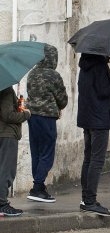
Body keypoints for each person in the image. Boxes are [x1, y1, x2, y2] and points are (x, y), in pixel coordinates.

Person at [77, 53, 110, 216]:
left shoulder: (84, 67)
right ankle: (90, 200)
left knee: (89, 159)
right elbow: (104, 90)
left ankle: (86, 199)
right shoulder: (99, 67)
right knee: (97, 160)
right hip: (99, 119)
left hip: (87, 118)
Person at [26, 43, 68, 203]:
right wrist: (58, 106)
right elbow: (62, 99)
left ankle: (39, 185)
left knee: (36, 150)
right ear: (53, 58)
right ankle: (37, 188)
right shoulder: (53, 75)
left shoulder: (32, 74)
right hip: (47, 118)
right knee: (47, 152)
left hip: (31, 116)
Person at [0, 86, 31, 216]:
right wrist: (26, 114)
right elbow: (7, 115)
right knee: (6, 171)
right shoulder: (5, 89)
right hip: (7, 134)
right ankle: (2, 204)